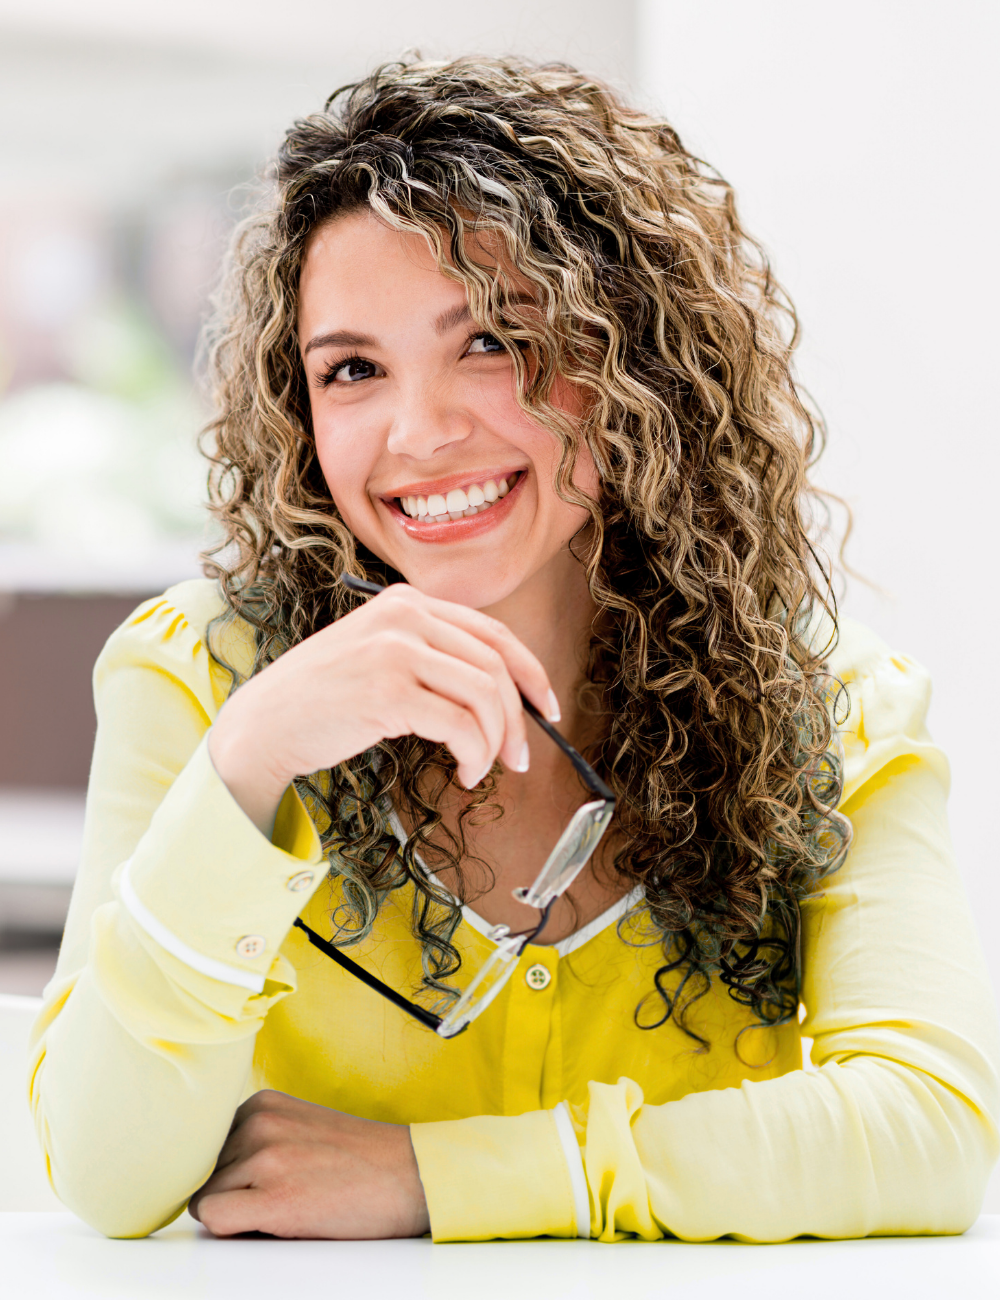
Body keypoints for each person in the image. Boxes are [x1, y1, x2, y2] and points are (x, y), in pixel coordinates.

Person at [29, 56, 999, 1243]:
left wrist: (437, 1176)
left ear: (631, 364)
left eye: (491, 340)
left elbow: (928, 1127)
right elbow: (105, 1175)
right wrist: (252, 762)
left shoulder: (827, 705)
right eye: (352, 370)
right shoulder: (202, 680)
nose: (420, 432)